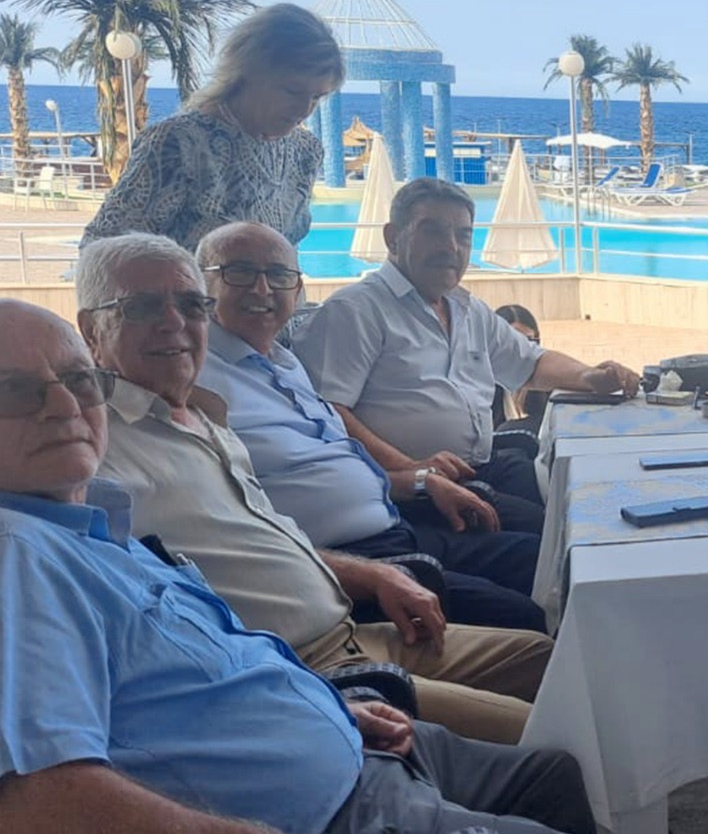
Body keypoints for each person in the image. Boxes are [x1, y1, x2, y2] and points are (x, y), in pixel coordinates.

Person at [0, 300, 668, 834]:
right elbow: (45, 810)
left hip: (349, 751)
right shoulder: (17, 558)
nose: (63, 406)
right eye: (15, 391)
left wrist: (327, 707)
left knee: (551, 774)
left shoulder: (81, 526)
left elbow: (178, 682)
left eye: (78, 381)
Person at [76, 233, 548, 745]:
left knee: (550, 660)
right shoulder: (91, 452)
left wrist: (372, 570)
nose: (174, 322)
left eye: (191, 306)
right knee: (551, 734)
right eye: (143, 307)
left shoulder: (208, 413)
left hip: (352, 616)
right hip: (298, 667)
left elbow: (266, 537)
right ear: (91, 330)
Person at [195, 223, 546, 634]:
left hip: (399, 521)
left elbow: (333, 463)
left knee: (545, 558)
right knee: (525, 615)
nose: (262, 289)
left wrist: (419, 481)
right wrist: (366, 569)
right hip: (343, 564)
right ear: (201, 286)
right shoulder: (196, 381)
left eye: (278, 275)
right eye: (239, 272)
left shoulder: (283, 363)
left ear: (297, 288)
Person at [294, 179, 640, 516]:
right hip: (411, 493)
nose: (451, 247)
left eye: (463, 235)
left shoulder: (466, 308)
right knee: (554, 531)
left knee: (593, 495)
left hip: (481, 467)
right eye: (432, 231)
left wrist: (589, 376)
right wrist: (412, 469)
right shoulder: (355, 311)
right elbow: (327, 413)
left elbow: (531, 364)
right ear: (392, 238)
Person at [82, 4, 342, 250]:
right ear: (249, 73)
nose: (305, 109)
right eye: (292, 91)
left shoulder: (305, 151)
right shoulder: (179, 144)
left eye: (317, 97)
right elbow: (103, 248)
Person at [494, 303, 550, 429]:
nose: (522, 349)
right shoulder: (479, 386)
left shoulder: (547, 383)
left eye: (529, 340)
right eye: (513, 341)